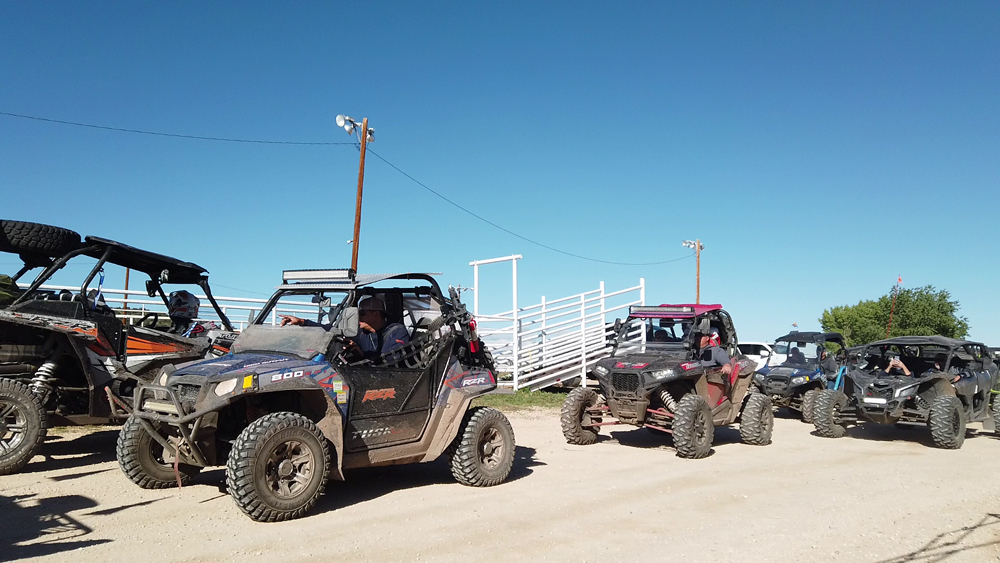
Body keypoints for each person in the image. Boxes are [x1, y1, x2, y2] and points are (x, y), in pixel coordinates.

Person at [282, 296, 410, 360]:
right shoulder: (360, 332)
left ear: (376, 314)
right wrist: (303, 322)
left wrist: (362, 354)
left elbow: (391, 360)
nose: (357, 317)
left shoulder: (396, 331)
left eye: (362, 313)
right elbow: (332, 330)